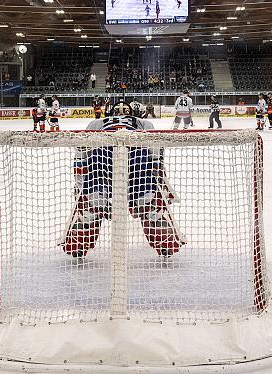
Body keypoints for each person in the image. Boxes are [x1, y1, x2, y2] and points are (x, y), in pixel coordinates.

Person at [61, 100, 185, 258]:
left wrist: (80, 180)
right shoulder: (139, 122)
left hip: (113, 155)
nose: (121, 112)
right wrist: (158, 176)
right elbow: (155, 147)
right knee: (144, 191)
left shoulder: (100, 122)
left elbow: (82, 148)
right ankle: (141, 202)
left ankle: (97, 204)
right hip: (123, 154)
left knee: (95, 197)